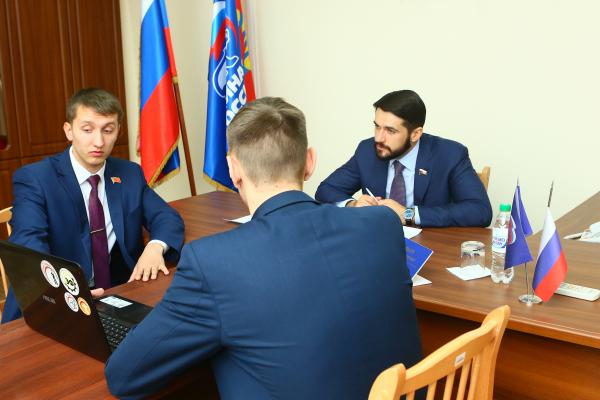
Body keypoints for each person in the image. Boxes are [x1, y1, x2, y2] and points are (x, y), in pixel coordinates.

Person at [105, 97, 422, 399]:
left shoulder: (212, 262)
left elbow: (124, 376)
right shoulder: (383, 223)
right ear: (310, 162)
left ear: (233, 169)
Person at [1, 88, 184, 323]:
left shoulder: (129, 173)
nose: (99, 142)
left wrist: (155, 247)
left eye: (108, 130)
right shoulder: (35, 178)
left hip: (118, 296)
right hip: (54, 301)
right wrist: (70, 291)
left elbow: (166, 217)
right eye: (87, 130)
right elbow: (29, 246)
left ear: (118, 131)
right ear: (69, 131)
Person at [315, 89, 493, 228]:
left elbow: (480, 211)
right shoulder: (367, 150)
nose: (379, 138)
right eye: (377, 127)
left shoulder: (450, 154)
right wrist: (353, 205)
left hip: (431, 249)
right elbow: (326, 190)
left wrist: (408, 215)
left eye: (390, 131)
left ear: (415, 134)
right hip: (378, 243)